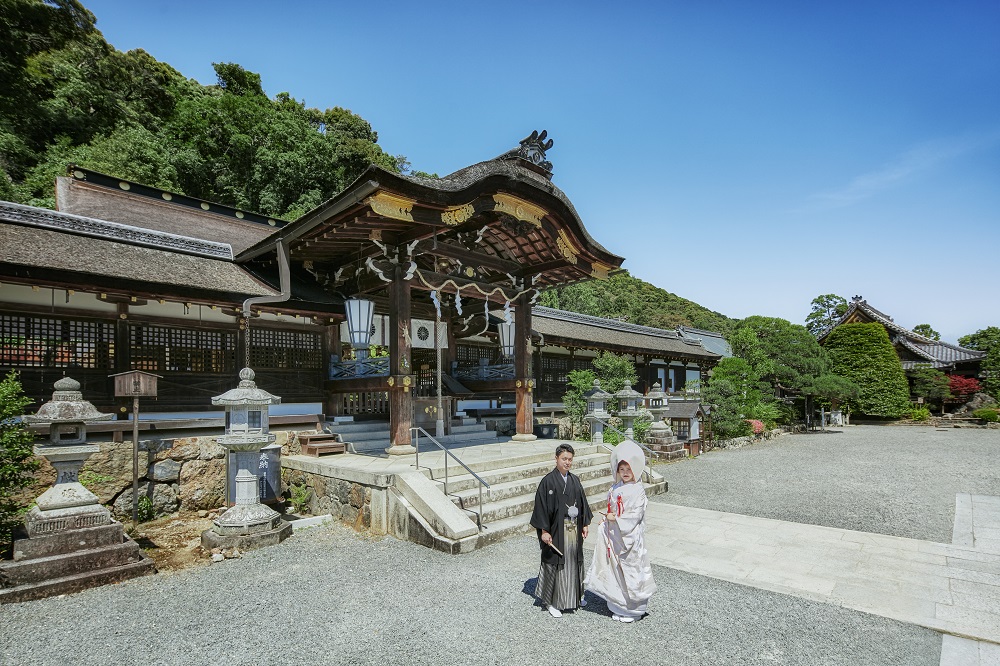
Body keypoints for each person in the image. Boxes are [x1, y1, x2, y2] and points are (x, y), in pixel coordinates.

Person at [584, 439, 657, 622]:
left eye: (628, 470)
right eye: (621, 470)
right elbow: (612, 508)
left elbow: (635, 514)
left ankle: (633, 610)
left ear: (635, 469)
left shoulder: (637, 490)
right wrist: (608, 518)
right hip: (614, 534)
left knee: (630, 569)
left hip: (628, 536)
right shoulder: (616, 487)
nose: (625, 473)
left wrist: (616, 519)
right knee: (614, 569)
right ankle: (617, 605)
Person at [530, 443, 593, 618]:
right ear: (556, 458)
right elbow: (542, 507)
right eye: (564, 458)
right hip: (556, 529)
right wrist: (544, 530)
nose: (567, 462)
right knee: (556, 562)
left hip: (573, 527)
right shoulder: (548, 481)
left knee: (574, 560)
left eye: (570, 459)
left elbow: (582, 503)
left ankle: (575, 596)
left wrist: (585, 524)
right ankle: (551, 601)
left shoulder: (575, 480)